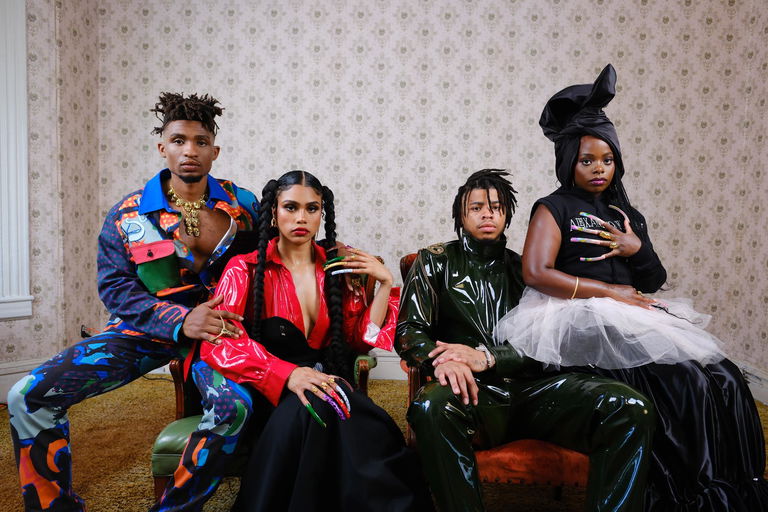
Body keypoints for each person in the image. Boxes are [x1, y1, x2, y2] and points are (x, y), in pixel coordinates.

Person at [495, 64, 768, 511]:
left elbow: (653, 280)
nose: (599, 168)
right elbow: (537, 273)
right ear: (569, 161)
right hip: (581, 316)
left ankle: (731, 490)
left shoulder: (626, 213)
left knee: (723, 377)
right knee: (685, 385)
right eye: (587, 160)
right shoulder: (554, 207)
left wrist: (634, 247)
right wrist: (609, 294)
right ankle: (686, 494)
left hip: (633, 311)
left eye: (608, 159)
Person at [7, 92, 261, 512]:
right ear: (162, 147)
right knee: (25, 396)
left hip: (222, 334)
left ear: (215, 151)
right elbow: (116, 288)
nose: (189, 151)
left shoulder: (245, 206)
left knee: (234, 407)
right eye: (179, 140)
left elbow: (281, 251)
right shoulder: (127, 215)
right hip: (144, 331)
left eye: (200, 142)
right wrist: (180, 320)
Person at [396, 168, 657, 512]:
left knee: (630, 406)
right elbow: (409, 330)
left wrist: (488, 356)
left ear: (507, 214)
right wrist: (443, 361)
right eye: (476, 207)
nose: (487, 213)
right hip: (471, 392)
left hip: (534, 390)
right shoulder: (435, 261)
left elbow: (547, 345)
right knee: (430, 406)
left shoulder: (528, 271)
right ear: (461, 214)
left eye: (496, 207)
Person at [198, 170, 432, 511]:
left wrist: (383, 285)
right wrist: (288, 375)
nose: (301, 218)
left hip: (329, 380)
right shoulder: (244, 268)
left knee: (371, 431)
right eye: (291, 207)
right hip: (273, 388)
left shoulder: (335, 269)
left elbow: (360, 339)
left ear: (322, 213)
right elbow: (220, 342)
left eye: (312, 208)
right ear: (274, 213)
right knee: (315, 409)